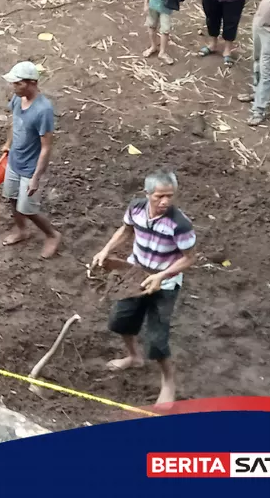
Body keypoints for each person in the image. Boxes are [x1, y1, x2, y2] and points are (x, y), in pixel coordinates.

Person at [90, 170, 196, 407]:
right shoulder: (136, 209)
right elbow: (126, 230)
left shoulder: (180, 224)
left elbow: (189, 258)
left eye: (169, 196)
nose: (165, 201)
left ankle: (168, 382)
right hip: (134, 275)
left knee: (157, 339)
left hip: (165, 284)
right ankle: (133, 356)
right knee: (121, 320)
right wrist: (106, 250)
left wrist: (162, 275)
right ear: (147, 194)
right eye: (159, 196)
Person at [0, 61, 61, 258]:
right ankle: (21, 230)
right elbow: (14, 122)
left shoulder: (43, 111)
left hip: (29, 167)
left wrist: (36, 177)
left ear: (31, 82)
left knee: (28, 208)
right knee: (12, 198)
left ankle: (52, 235)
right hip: (14, 161)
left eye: (17, 83)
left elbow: (46, 147)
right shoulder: (18, 99)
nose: (14, 87)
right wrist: (8, 144)